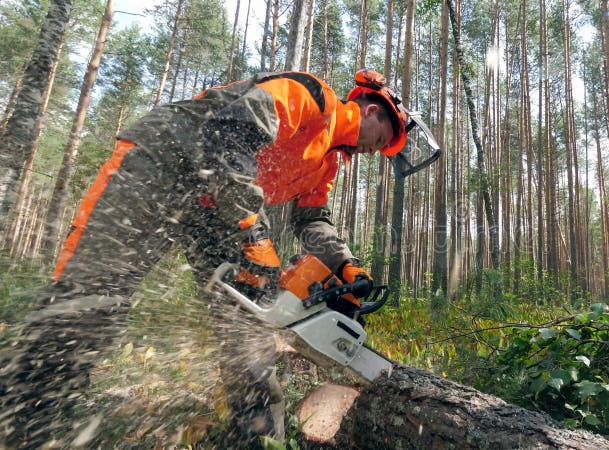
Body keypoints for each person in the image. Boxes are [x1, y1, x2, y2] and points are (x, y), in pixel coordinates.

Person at [0, 69, 411, 448]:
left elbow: (313, 219)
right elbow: (230, 132)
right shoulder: (311, 95)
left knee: (246, 327)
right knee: (94, 288)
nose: (379, 150)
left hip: (217, 209)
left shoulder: (326, 163)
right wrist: (253, 230)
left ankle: (256, 435)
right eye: (383, 138)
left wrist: (345, 265)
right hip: (163, 163)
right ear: (373, 109)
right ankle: (27, 415)